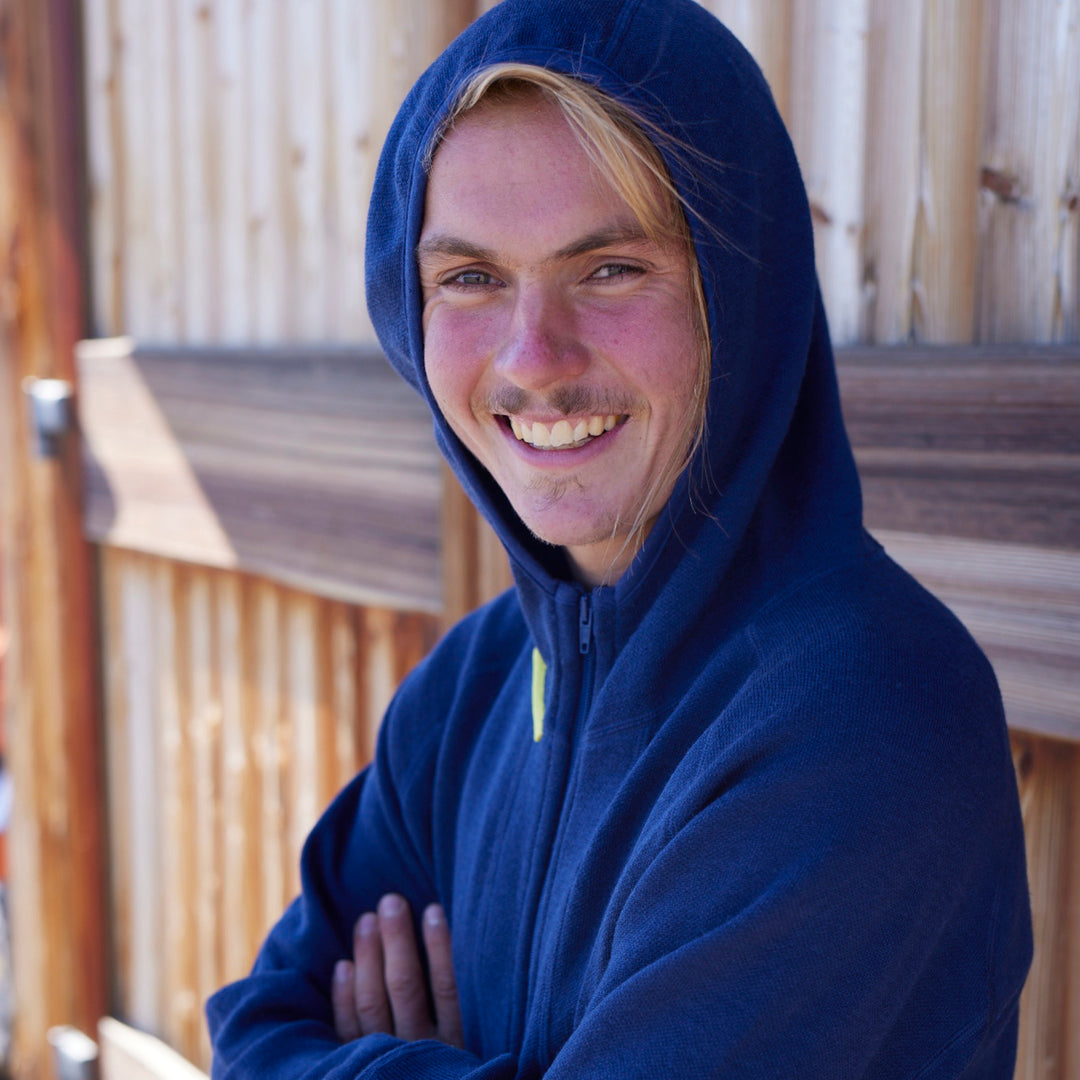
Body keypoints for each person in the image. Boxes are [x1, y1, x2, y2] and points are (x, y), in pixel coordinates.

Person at [206, 1, 1033, 1076]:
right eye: (470, 278)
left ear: (738, 297)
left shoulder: (865, 713)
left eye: (608, 269)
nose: (533, 356)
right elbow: (255, 1035)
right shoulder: (472, 687)